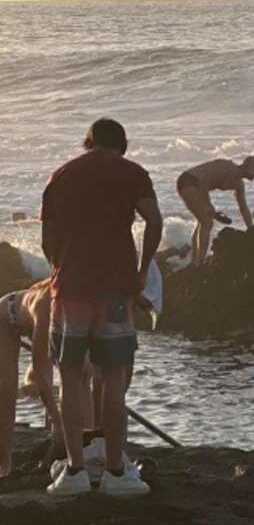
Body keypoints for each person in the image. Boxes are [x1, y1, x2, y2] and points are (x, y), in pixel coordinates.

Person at [40, 117, 163, 496]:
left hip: (71, 289)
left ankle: (74, 472)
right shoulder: (132, 173)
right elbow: (154, 221)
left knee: (71, 379)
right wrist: (142, 269)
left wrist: (61, 268)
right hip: (114, 291)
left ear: (88, 142)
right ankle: (114, 471)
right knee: (113, 380)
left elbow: (47, 240)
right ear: (120, 145)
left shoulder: (61, 176)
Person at [0, 279, 63, 477]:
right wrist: (55, 414)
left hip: (29, 318)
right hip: (5, 317)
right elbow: (39, 370)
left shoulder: (78, 306)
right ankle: (4, 465)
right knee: (7, 392)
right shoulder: (44, 311)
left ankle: (57, 445)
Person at [176, 156, 254, 265]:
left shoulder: (239, 184)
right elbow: (203, 180)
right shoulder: (227, 167)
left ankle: (194, 261)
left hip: (197, 187)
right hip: (188, 180)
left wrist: (251, 228)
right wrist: (207, 204)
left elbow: (243, 208)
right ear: (249, 167)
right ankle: (199, 262)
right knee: (206, 222)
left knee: (203, 221)